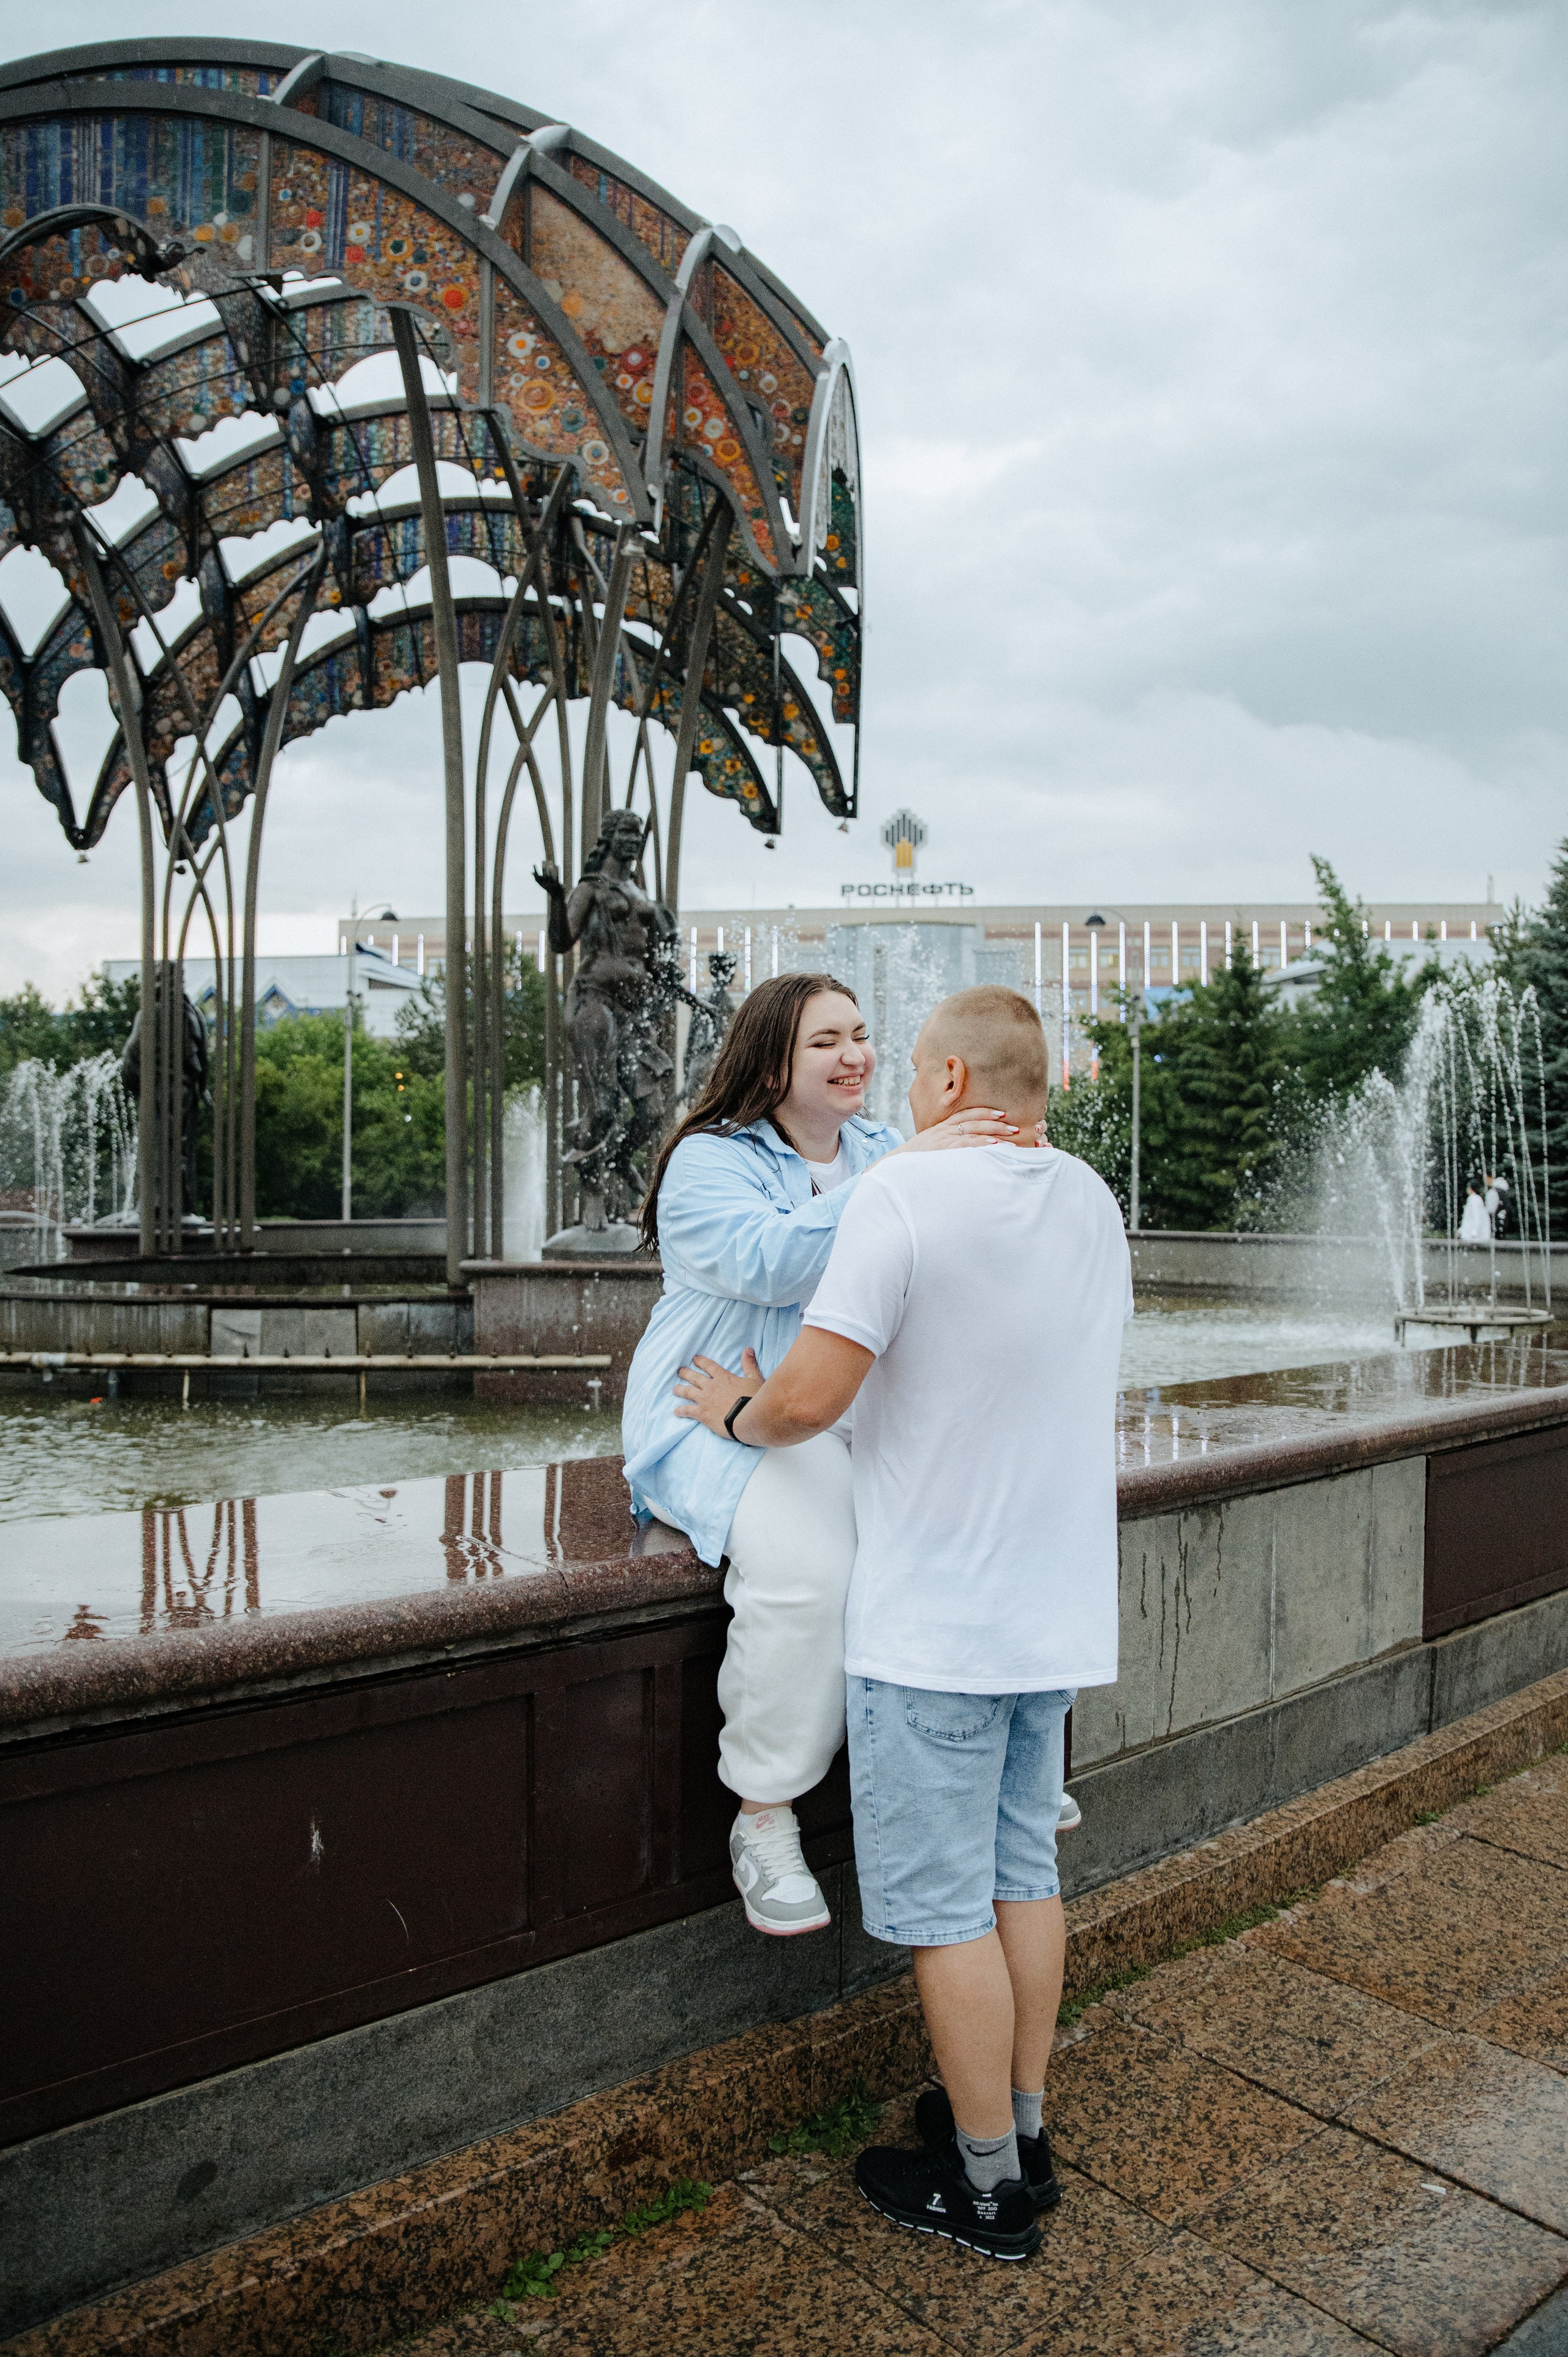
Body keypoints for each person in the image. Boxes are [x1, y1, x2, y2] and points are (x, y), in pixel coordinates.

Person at [674, 986, 1131, 2263]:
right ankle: (1023, 2124)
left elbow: (811, 1398)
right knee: (1022, 1876)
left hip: (934, 1626)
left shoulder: (902, 1195)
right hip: (1051, 1618)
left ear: (939, 1080)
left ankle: (983, 2188)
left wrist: (732, 1412)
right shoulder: (1092, 1200)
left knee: (941, 1913)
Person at [624, 973, 1019, 1939]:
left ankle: (1002, 1767)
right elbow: (768, 1260)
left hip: (839, 1409)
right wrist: (913, 1175)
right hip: (712, 1410)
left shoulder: (885, 1150)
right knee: (807, 1569)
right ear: (771, 1064)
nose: (857, 1058)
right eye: (826, 1042)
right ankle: (763, 1812)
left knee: (965, 1522)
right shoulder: (709, 1162)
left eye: (862, 1036)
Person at [1460, 1178, 1491, 1243]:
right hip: (1474, 1234)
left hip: (1473, 1236)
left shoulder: (1474, 1199)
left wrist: (1474, 1233)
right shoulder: (1477, 1198)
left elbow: (1476, 1216)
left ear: (1471, 1188)